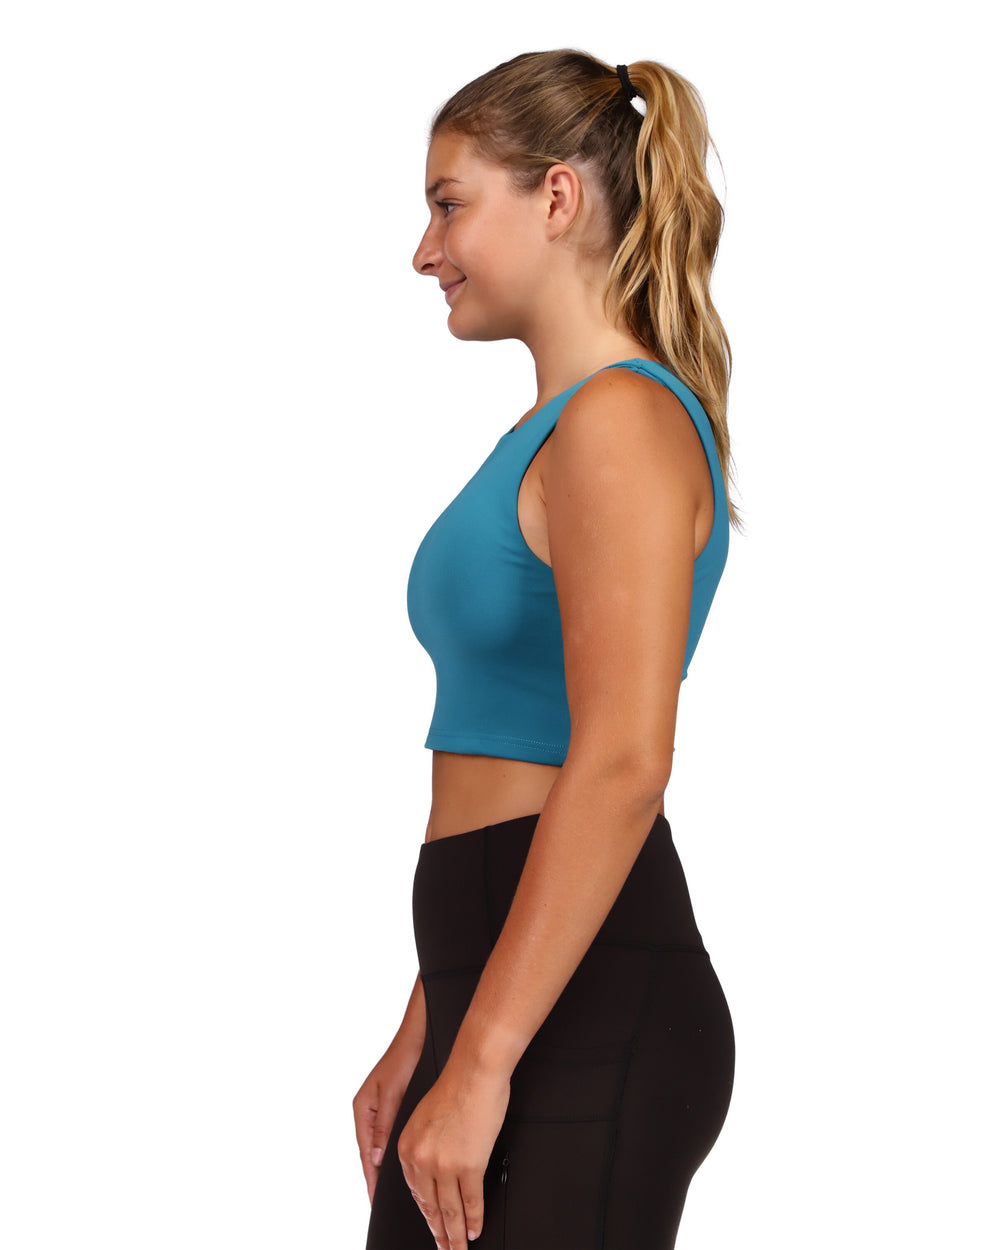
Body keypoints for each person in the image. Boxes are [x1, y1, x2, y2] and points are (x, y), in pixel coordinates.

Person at [354, 49, 739, 1250]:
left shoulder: (619, 418)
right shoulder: (555, 429)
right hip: (502, 981)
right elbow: (530, 739)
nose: (425, 250)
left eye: (449, 203)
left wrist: (481, 1056)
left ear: (557, 196)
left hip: (587, 1009)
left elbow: (619, 761)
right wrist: (432, 1019)